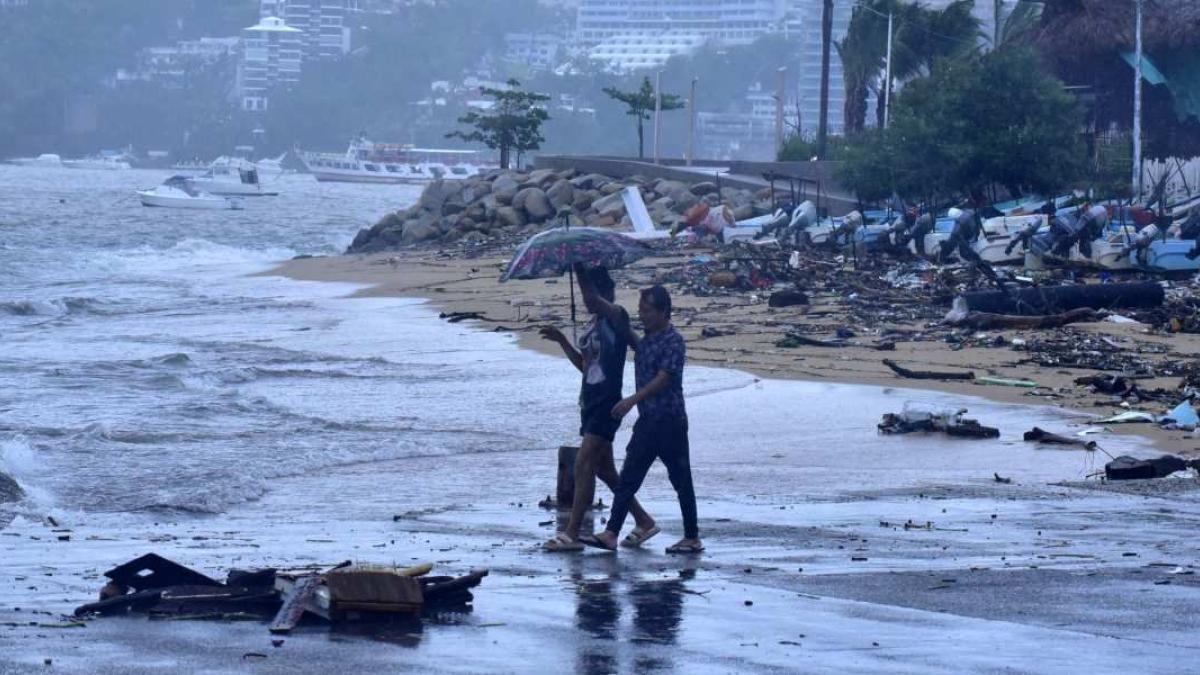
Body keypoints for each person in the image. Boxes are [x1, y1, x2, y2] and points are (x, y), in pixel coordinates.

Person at [540, 265, 658, 552]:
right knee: (606, 471)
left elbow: (592, 300)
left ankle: (571, 534)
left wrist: (577, 265)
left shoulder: (617, 316)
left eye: (591, 291)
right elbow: (585, 366)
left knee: (583, 464)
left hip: (607, 403)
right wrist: (563, 341)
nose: (586, 300)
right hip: (590, 402)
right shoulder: (595, 323)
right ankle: (644, 521)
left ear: (603, 292)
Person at [584, 285, 702, 555]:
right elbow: (620, 322)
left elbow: (665, 378)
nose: (643, 315)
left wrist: (631, 401)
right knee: (628, 478)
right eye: (640, 310)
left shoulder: (673, 340)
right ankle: (612, 533)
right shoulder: (646, 340)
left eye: (647, 310)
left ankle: (692, 537)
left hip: (670, 421)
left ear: (663, 311)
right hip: (648, 421)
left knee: (681, 479)